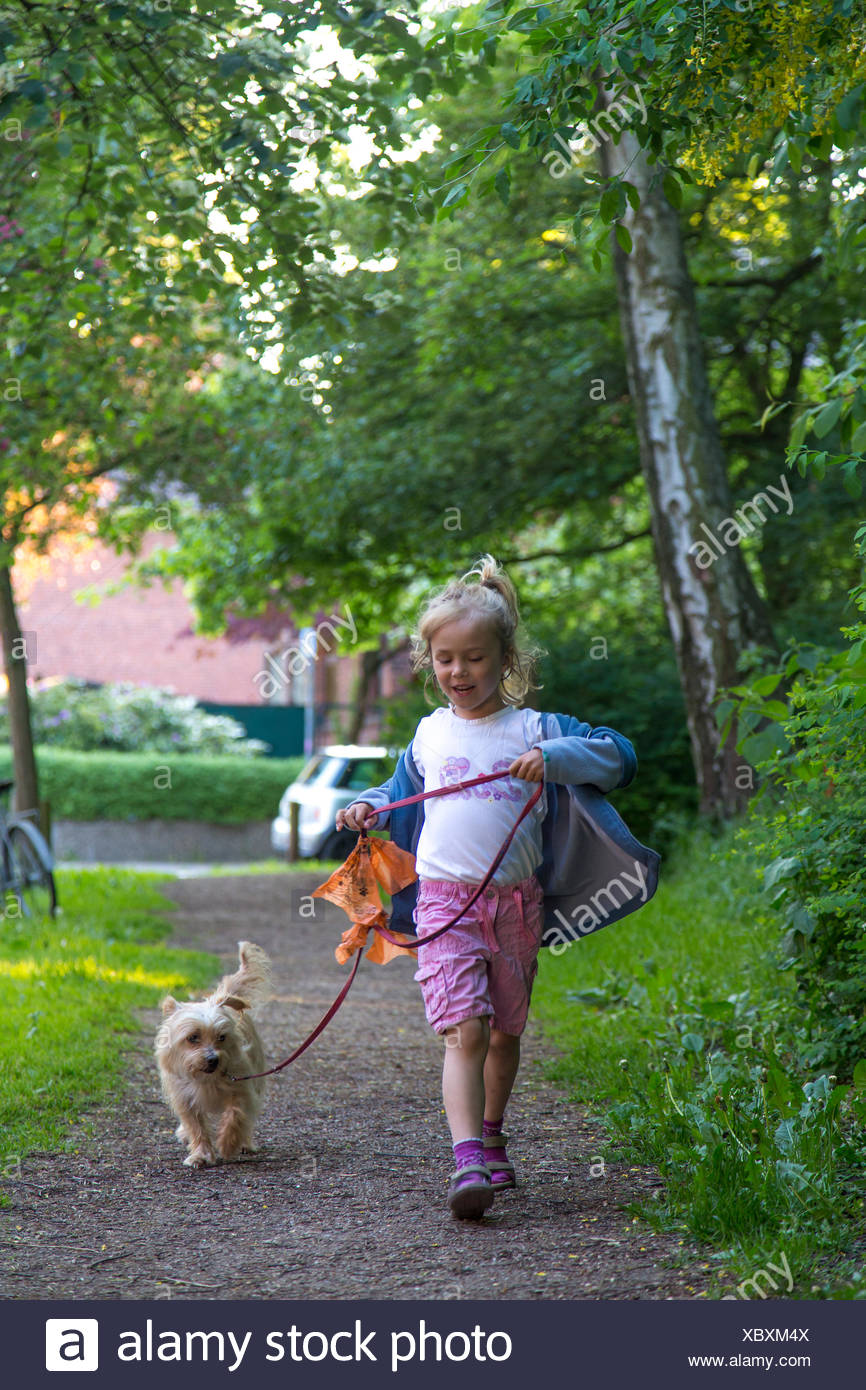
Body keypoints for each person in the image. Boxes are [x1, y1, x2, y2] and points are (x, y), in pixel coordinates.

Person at [336, 554, 658, 1220]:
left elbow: (620, 756)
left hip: (516, 908)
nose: (460, 673)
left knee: (506, 1035)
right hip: (445, 908)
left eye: (476, 658)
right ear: (429, 663)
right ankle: (466, 1161)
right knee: (466, 1031)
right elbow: (397, 797)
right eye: (446, 659)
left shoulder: (536, 729)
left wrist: (556, 760)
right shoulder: (429, 735)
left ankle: (491, 1131)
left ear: (506, 658)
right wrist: (366, 807)